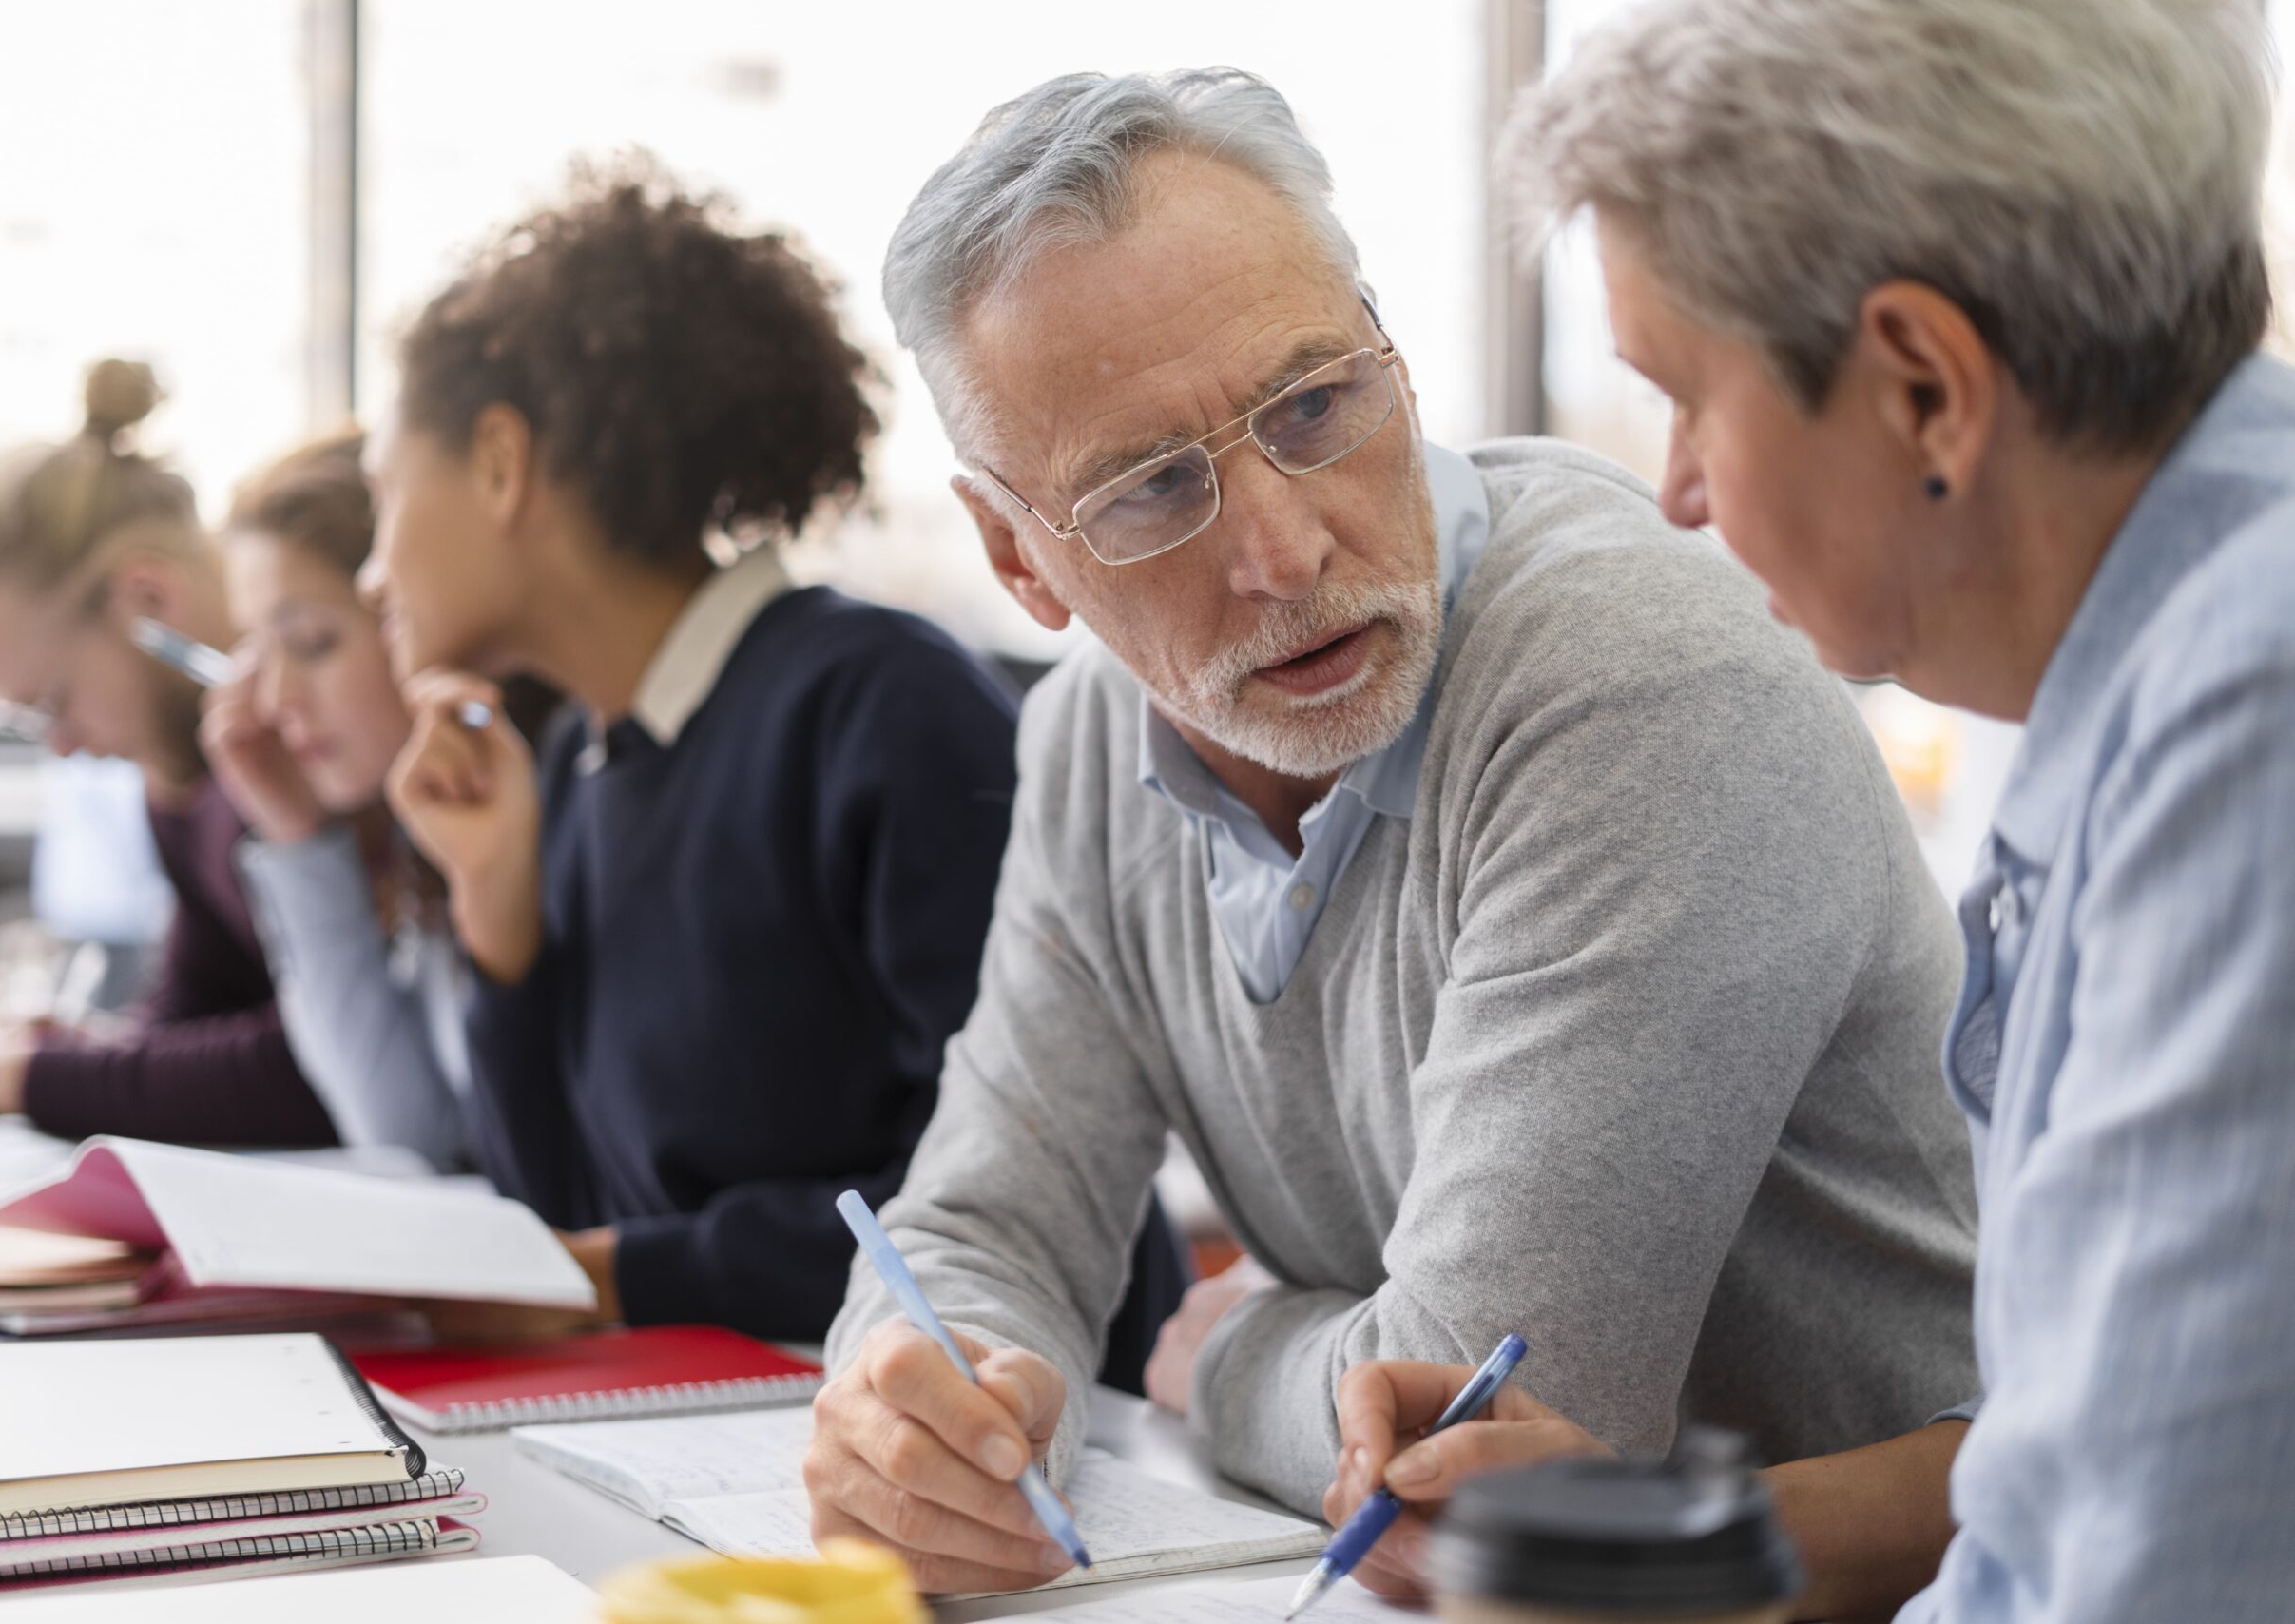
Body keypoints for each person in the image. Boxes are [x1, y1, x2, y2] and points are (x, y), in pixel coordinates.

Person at [806, 67, 1979, 1597]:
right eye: (1154, 490)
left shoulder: (1635, 678)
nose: (1284, 548)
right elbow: (983, 1220)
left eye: (1314, 404)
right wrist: (922, 1387)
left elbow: (1492, 1424)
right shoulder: (1091, 741)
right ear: (1018, 563)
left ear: (1400, 368)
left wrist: (1226, 1353)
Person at [1331, 4, 2294, 1621]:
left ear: (1924, 388)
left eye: (1688, 397)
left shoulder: (2247, 718)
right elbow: (2077, 1479)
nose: (1683, 489)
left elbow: (2152, 1578)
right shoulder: (2130, 655)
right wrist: (1658, 1542)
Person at [357, 159, 1189, 1363]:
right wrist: (502, 929)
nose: (374, 570)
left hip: (1034, 1445)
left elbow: (1030, 1187)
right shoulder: (578, 771)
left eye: (385, 496)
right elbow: (564, 1226)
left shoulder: (876, 705)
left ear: (499, 462)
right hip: (743, 1431)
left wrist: (623, 1270)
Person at [0, 361, 335, 1147]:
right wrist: (90, 1052)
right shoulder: (180, 784)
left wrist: (12, 1076)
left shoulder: (313, 756)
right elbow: (198, 1005)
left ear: (148, 602)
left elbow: (321, 1066)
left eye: (54, 701)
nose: (65, 746)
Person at [200, 431, 483, 1170]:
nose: (275, 699)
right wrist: (296, 836)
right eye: (259, 653)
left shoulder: (516, 821)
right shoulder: (412, 842)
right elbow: (404, 1131)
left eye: (315, 641)